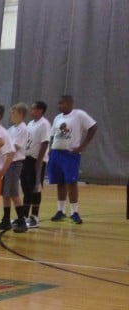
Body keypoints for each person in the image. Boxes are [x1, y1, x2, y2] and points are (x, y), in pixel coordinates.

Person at [49, 94, 98, 224]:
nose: (59, 106)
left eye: (62, 103)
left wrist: (83, 146)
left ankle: (74, 212)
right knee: (60, 182)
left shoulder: (79, 114)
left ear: (70, 103)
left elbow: (93, 127)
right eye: (59, 103)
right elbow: (53, 136)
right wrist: (51, 151)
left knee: (71, 182)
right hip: (56, 153)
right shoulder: (57, 118)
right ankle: (61, 210)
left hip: (70, 154)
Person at [22, 101, 50, 228]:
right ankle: (24, 215)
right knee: (27, 188)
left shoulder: (44, 124)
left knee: (35, 188)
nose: (31, 111)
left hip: (37, 160)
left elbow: (44, 143)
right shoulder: (30, 124)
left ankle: (34, 216)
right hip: (27, 159)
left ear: (40, 110)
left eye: (33, 109)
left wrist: (39, 162)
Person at [4, 103, 31, 232]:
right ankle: (6, 219)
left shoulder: (23, 129)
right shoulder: (12, 129)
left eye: (13, 113)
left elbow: (14, 147)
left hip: (15, 163)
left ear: (20, 114)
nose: (11, 115)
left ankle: (22, 220)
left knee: (14, 192)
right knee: (5, 192)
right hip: (8, 162)